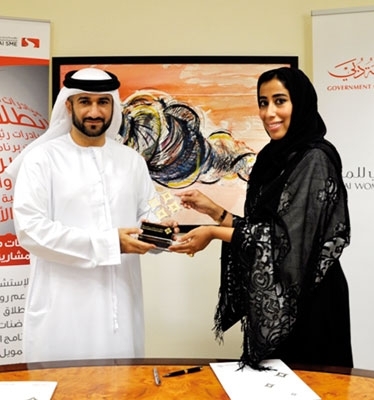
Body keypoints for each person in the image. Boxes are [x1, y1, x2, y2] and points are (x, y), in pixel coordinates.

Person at [169, 67, 353, 369]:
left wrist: (212, 232)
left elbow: (286, 241)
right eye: (263, 102)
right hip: (282, 294)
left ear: (300, 103)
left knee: (312, 384)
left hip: (311, 302)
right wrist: (214, 211)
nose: (269, 113)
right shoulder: (273, 158)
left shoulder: (315, 158)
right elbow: (263, 228)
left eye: (280, 101)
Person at [7, 68, 167, 363]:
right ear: (69, 105)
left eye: (103, 102)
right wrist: (110, 243)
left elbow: (148, 216)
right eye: (85, 102)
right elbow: (31, 231)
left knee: (124, 383)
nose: (94, 112)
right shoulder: (42, 160)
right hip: (62, 314)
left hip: (120, 311)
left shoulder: (131, 161)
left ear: (113, 106)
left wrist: (162, 235)